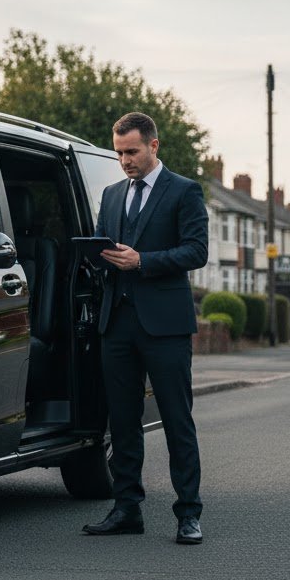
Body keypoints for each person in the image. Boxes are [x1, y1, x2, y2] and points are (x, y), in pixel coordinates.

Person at [83, 112, 208, 544]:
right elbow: (101, 244)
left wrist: (144, 262)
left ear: (154, 146)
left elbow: (196, 251)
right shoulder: (112, 194)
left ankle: (189, 513)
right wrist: (95, 255)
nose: (124, 161)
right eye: (118, 153)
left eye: (132, 151)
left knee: (177, 420)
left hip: (166, 326)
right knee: (122, 422)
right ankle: (126, 509)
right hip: (116, 323)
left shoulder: (185, 191)